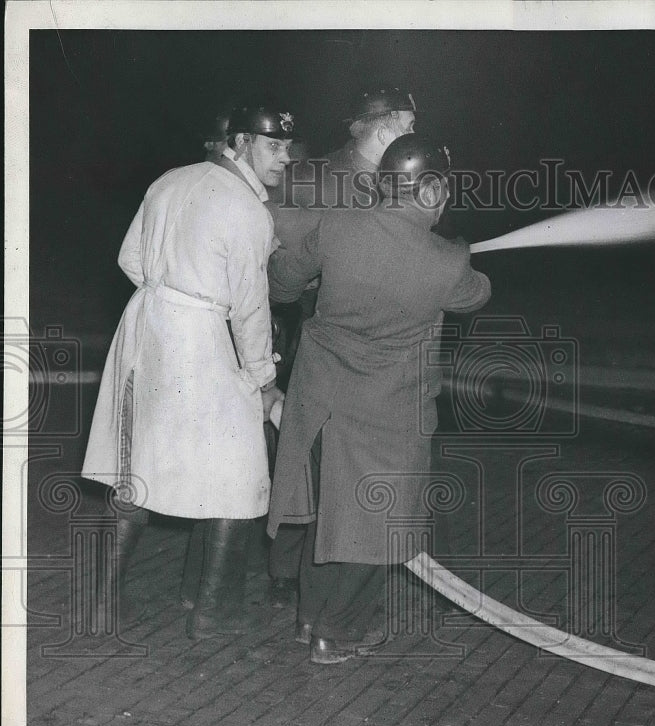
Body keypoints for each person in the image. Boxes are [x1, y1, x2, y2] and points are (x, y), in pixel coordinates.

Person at [266, 133, 491, 664]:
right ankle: (336, 633)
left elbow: (280, 283)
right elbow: (477, 294)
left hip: (318, 401)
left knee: (326, 513)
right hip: (386, 415)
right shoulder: (447, 261)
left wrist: (316, 288)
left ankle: (307, 621)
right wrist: (455, 257)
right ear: (431, 191)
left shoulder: (338, 225)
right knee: (381, 525)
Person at [82, 104, 292, 639]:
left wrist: (169, 287)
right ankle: (212, 614)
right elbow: (250, 306)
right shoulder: (247, 209)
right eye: (274, 146)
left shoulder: (169, 180)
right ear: (241, 142)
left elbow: (130, 258)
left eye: (287, 147)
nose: (285, 158)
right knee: (239, 469)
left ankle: (103, 604)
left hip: (145, 324)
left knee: (136, 462)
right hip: (197, 335)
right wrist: (264, 381)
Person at [264, 85, 418, 609]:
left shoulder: (406, 181)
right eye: (409, 125)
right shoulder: (310, 178)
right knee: (301, 457)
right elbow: (274, 252)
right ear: (382, 128)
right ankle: (285, 569)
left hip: (375, 345)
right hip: (311, 331)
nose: (416, 136)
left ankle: (325, 580)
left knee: (347, 465)